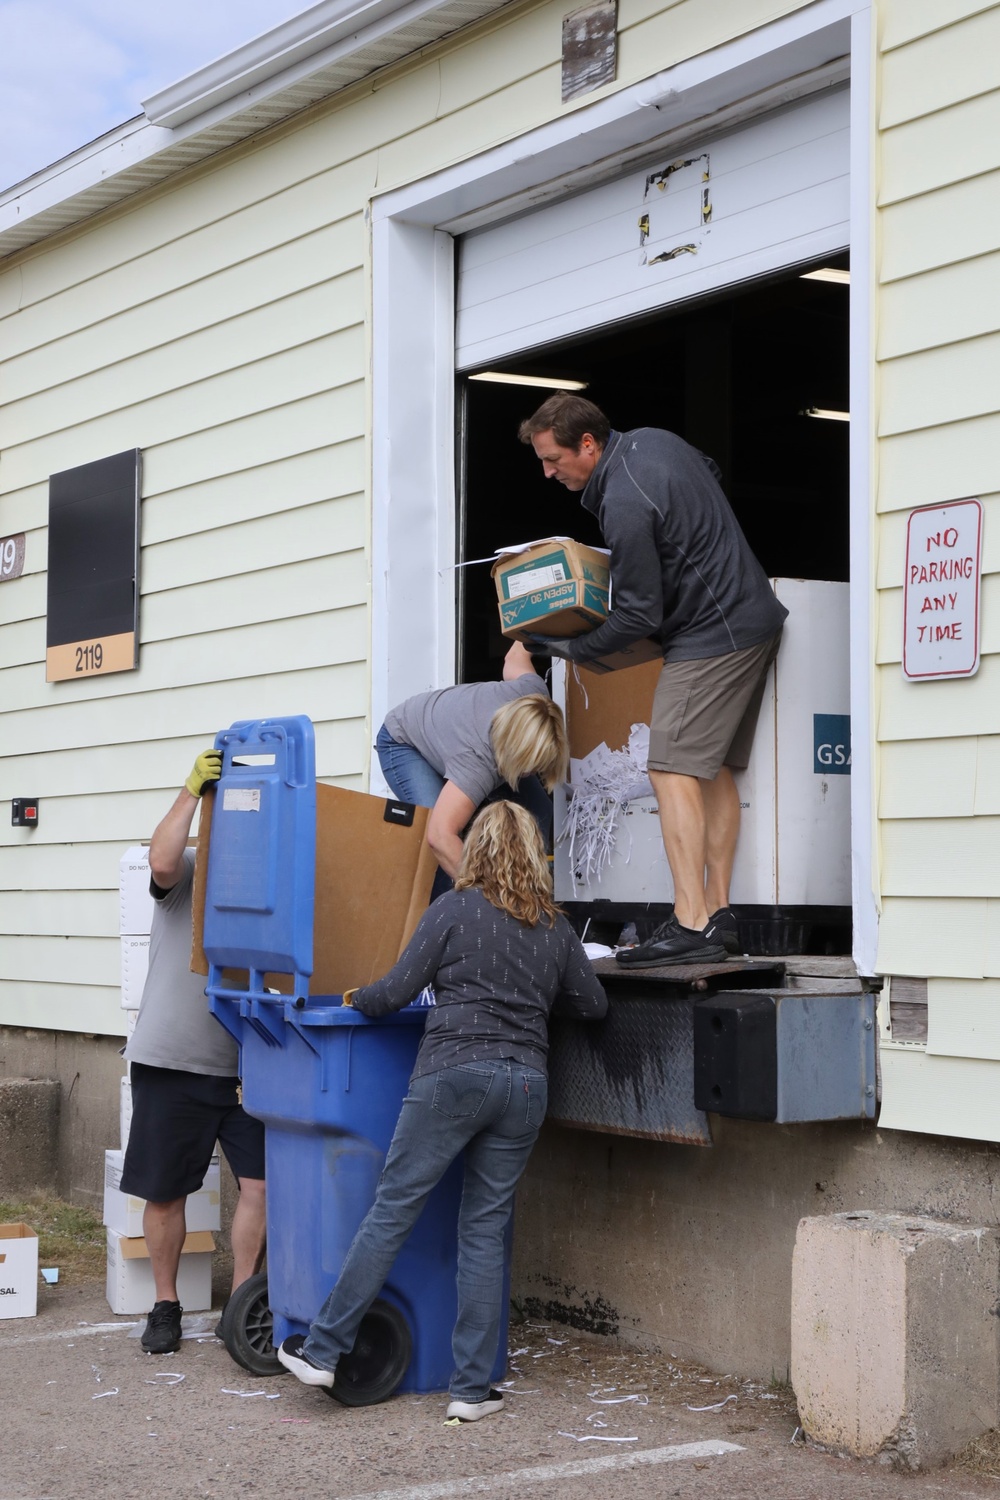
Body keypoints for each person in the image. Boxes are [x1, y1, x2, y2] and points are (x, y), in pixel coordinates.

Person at [276, 800, 608, 1419]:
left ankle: (323, 1351)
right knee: (484, 1232)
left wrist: (357, 995)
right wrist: (533, 998)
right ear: (536, 857)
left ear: (475, 849)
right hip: (527, 1086)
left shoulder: (454, 909)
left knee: (393, 1210)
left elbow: (392, 993)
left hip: (454, 1076)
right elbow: (592, 1004)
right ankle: (471, 1392)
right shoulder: (556, 929)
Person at [519, 392, 787, 968]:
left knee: (668, 768)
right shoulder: (654, 441)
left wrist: (571, 650)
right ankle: (718, 915)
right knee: (706, 770)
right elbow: (708, 472)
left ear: (587, 444)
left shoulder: (622, 501)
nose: (548, 472)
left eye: (553, 459)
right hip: (750, 615)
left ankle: (690, 922)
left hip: (713, 635)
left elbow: (640, 615)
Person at [121, 750, 267, 1354]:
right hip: (173, 1057)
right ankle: (165, 1304)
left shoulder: (268, 882)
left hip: (253, 1064)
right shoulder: (186, 871)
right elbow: (158, 859)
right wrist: (190, 790)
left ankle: (247, 1304)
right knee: (165, 1191)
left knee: (262, 1187)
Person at [376, 641, 568, 888]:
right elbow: (440, 836)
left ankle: (534, 888)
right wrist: (489, 900)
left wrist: (546, 621)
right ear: (516, 750)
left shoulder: (533, 692)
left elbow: (516, 653)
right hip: (405, 741)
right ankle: (446, 912)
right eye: (530, 764)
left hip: (464, 735)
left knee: (540, 812)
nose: (534, 772)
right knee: (438, 835)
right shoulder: (477, 764)